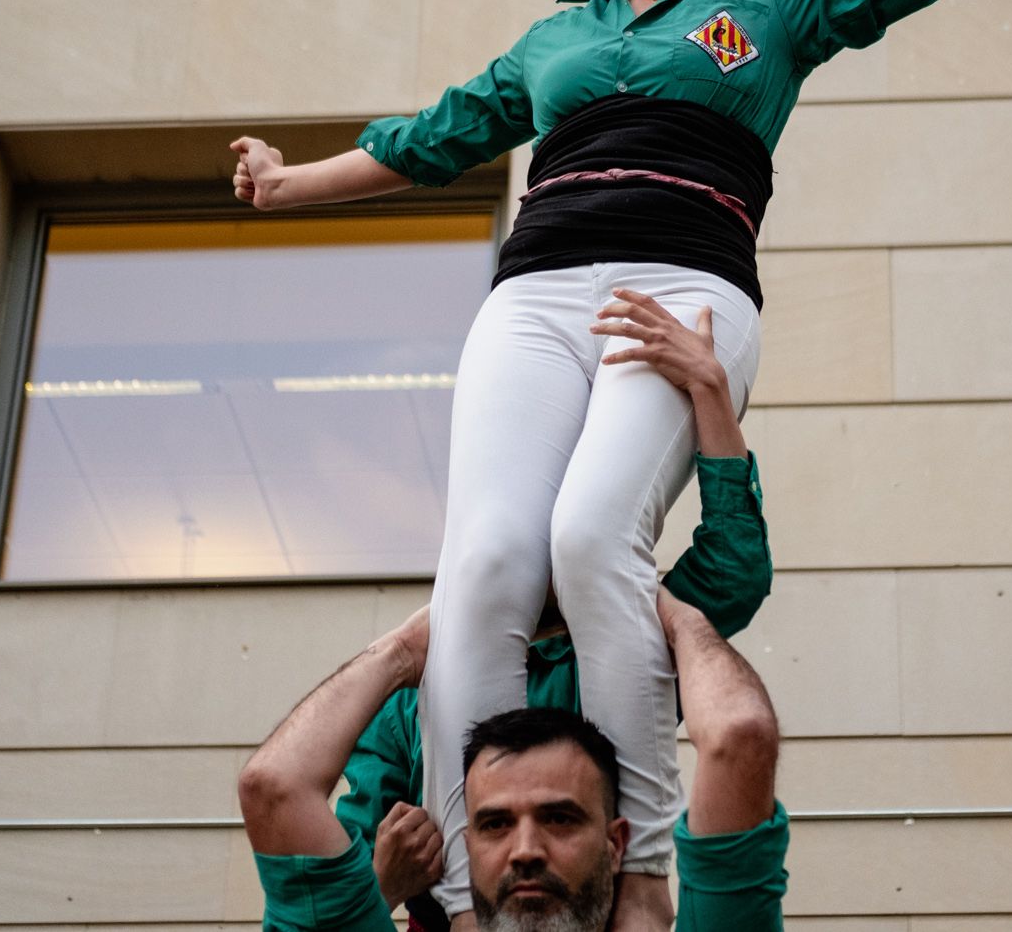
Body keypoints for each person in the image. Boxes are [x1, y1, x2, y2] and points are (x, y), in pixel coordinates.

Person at [231, 0, 1012, 923]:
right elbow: (431, 138)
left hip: (679, 292)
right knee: (483, 563)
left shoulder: (775, 13)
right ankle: (470, 904)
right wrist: (285, 188)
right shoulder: (550, 38)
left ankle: (642, 878)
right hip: (532, 299)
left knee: (586, 536)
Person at [244, 301, 774, 929]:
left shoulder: (619, 642)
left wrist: (710, 391)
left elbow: (733, 572)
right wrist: (385, 879)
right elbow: (307, 823)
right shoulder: (413, 702)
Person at [241, 589, 786, 932]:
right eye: (495, 823)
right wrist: (408, 648)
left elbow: (741, 739)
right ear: (462, 844)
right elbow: (272, 788)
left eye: (559, 818)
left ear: (617, 842)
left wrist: (648, 601)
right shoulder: (403, 720)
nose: (526, 850)